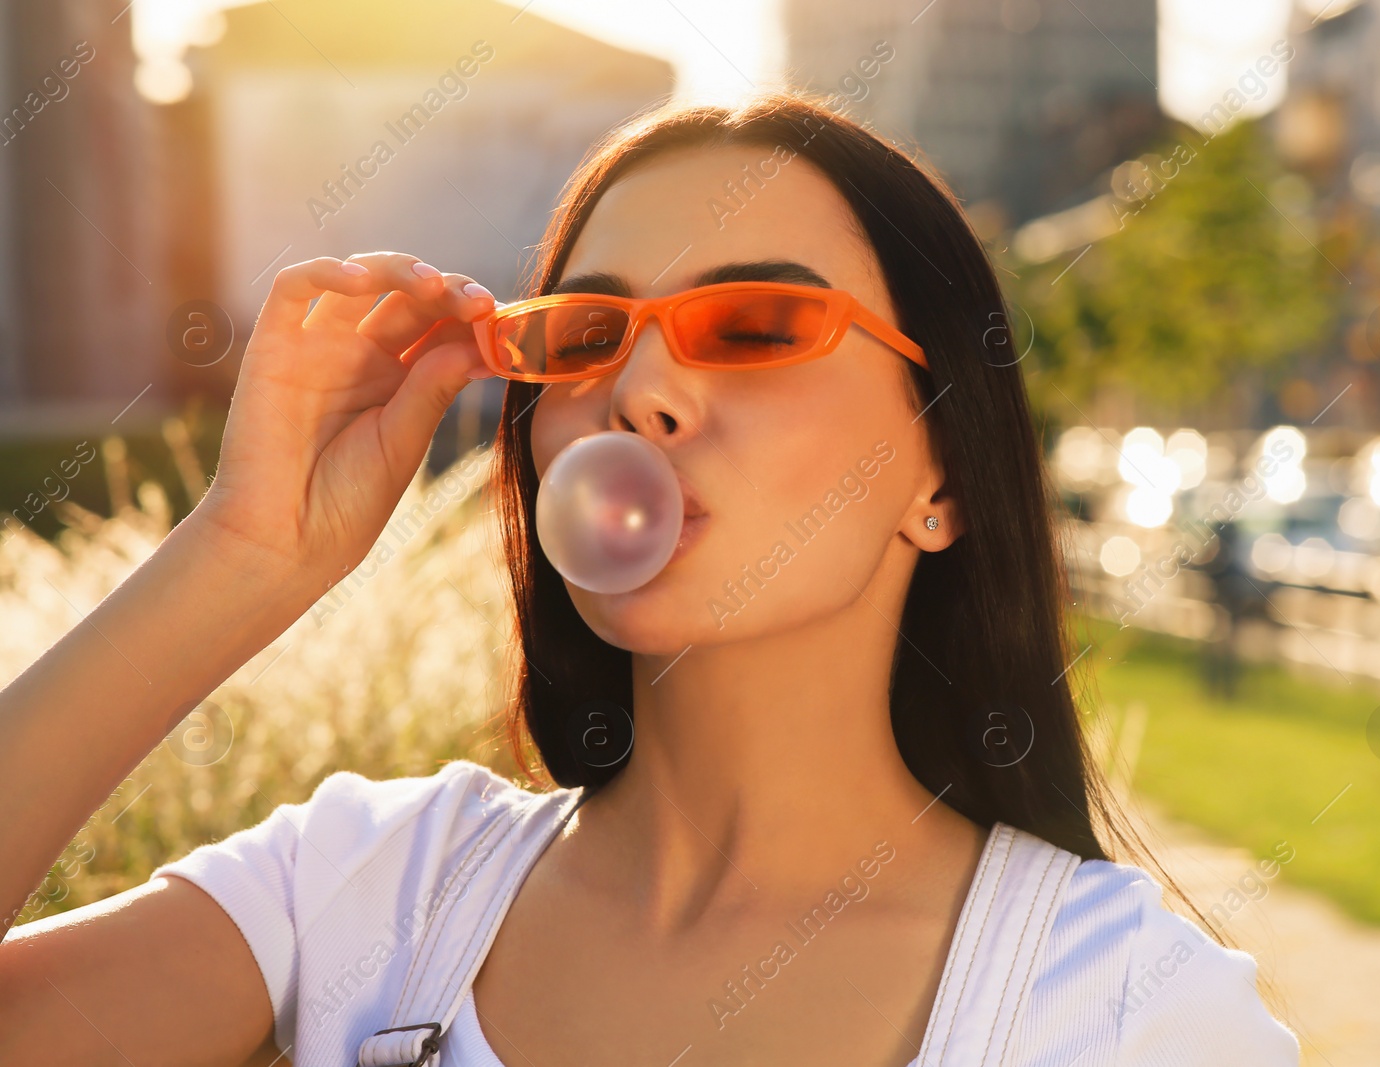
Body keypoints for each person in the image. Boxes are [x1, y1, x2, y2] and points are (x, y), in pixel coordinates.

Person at [0, 93, 1298, 1065]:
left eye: (755, 326)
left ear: (944, 473)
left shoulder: (1134, 1012)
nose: (644, 393)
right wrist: (242, 559)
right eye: (584, 336)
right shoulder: (372, 888)